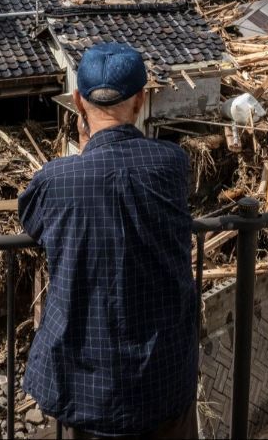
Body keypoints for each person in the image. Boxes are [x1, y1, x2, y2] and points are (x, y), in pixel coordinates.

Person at [18, 42, 198, 439]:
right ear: (141, 100)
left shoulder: (56, 179)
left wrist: (85, 154)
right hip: (164, 379)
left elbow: (32, 222)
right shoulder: (171, 163)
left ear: (78, 102)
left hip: (85, 390)